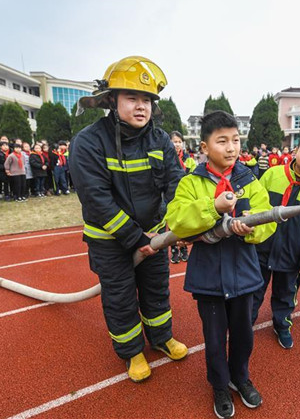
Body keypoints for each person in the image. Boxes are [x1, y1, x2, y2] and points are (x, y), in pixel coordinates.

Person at [69, 56, 188, 383]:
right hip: (110, 241)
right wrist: (137, 239)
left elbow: (176, 184)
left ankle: (161, 338)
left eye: (147, 100)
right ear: (112, 101)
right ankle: (132, 352)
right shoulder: (88, 142)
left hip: (153, 236)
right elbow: (97, 200)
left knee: (157, 291)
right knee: (120, 298)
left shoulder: (160, 140)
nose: (141, 106)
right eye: (132, 98)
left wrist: (180, 222)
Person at [165, 111, 275, 418]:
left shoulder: (250, 181)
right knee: (214, 338)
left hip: (243, 274)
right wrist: (213, 207)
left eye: (236, 140)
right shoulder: (191, 183)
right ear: (204, 146)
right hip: (208, 277)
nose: (231, 147)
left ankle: (240, 376)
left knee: (243, 334)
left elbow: (267, 220)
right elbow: (177, 221)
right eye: (222, 141)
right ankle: (220, 385)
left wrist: (252, 228)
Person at [252, 129, 300, 349]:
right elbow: (256, 205)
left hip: (291, 256)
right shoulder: (273, 175)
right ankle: (246, 321)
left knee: (286, 293)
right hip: (262, 249)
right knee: (253, 289)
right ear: (296, 150)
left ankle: (282, 324)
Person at [170, 130, 196, 264]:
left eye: (179, 142)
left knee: (185, 222)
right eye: (174, 142)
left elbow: (193, 176)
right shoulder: (167, 158)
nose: (177, 144)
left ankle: (184, 249)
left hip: (186, 194)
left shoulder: (189, 160)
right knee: (173, 223)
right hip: (171, 194)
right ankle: (174, 250)